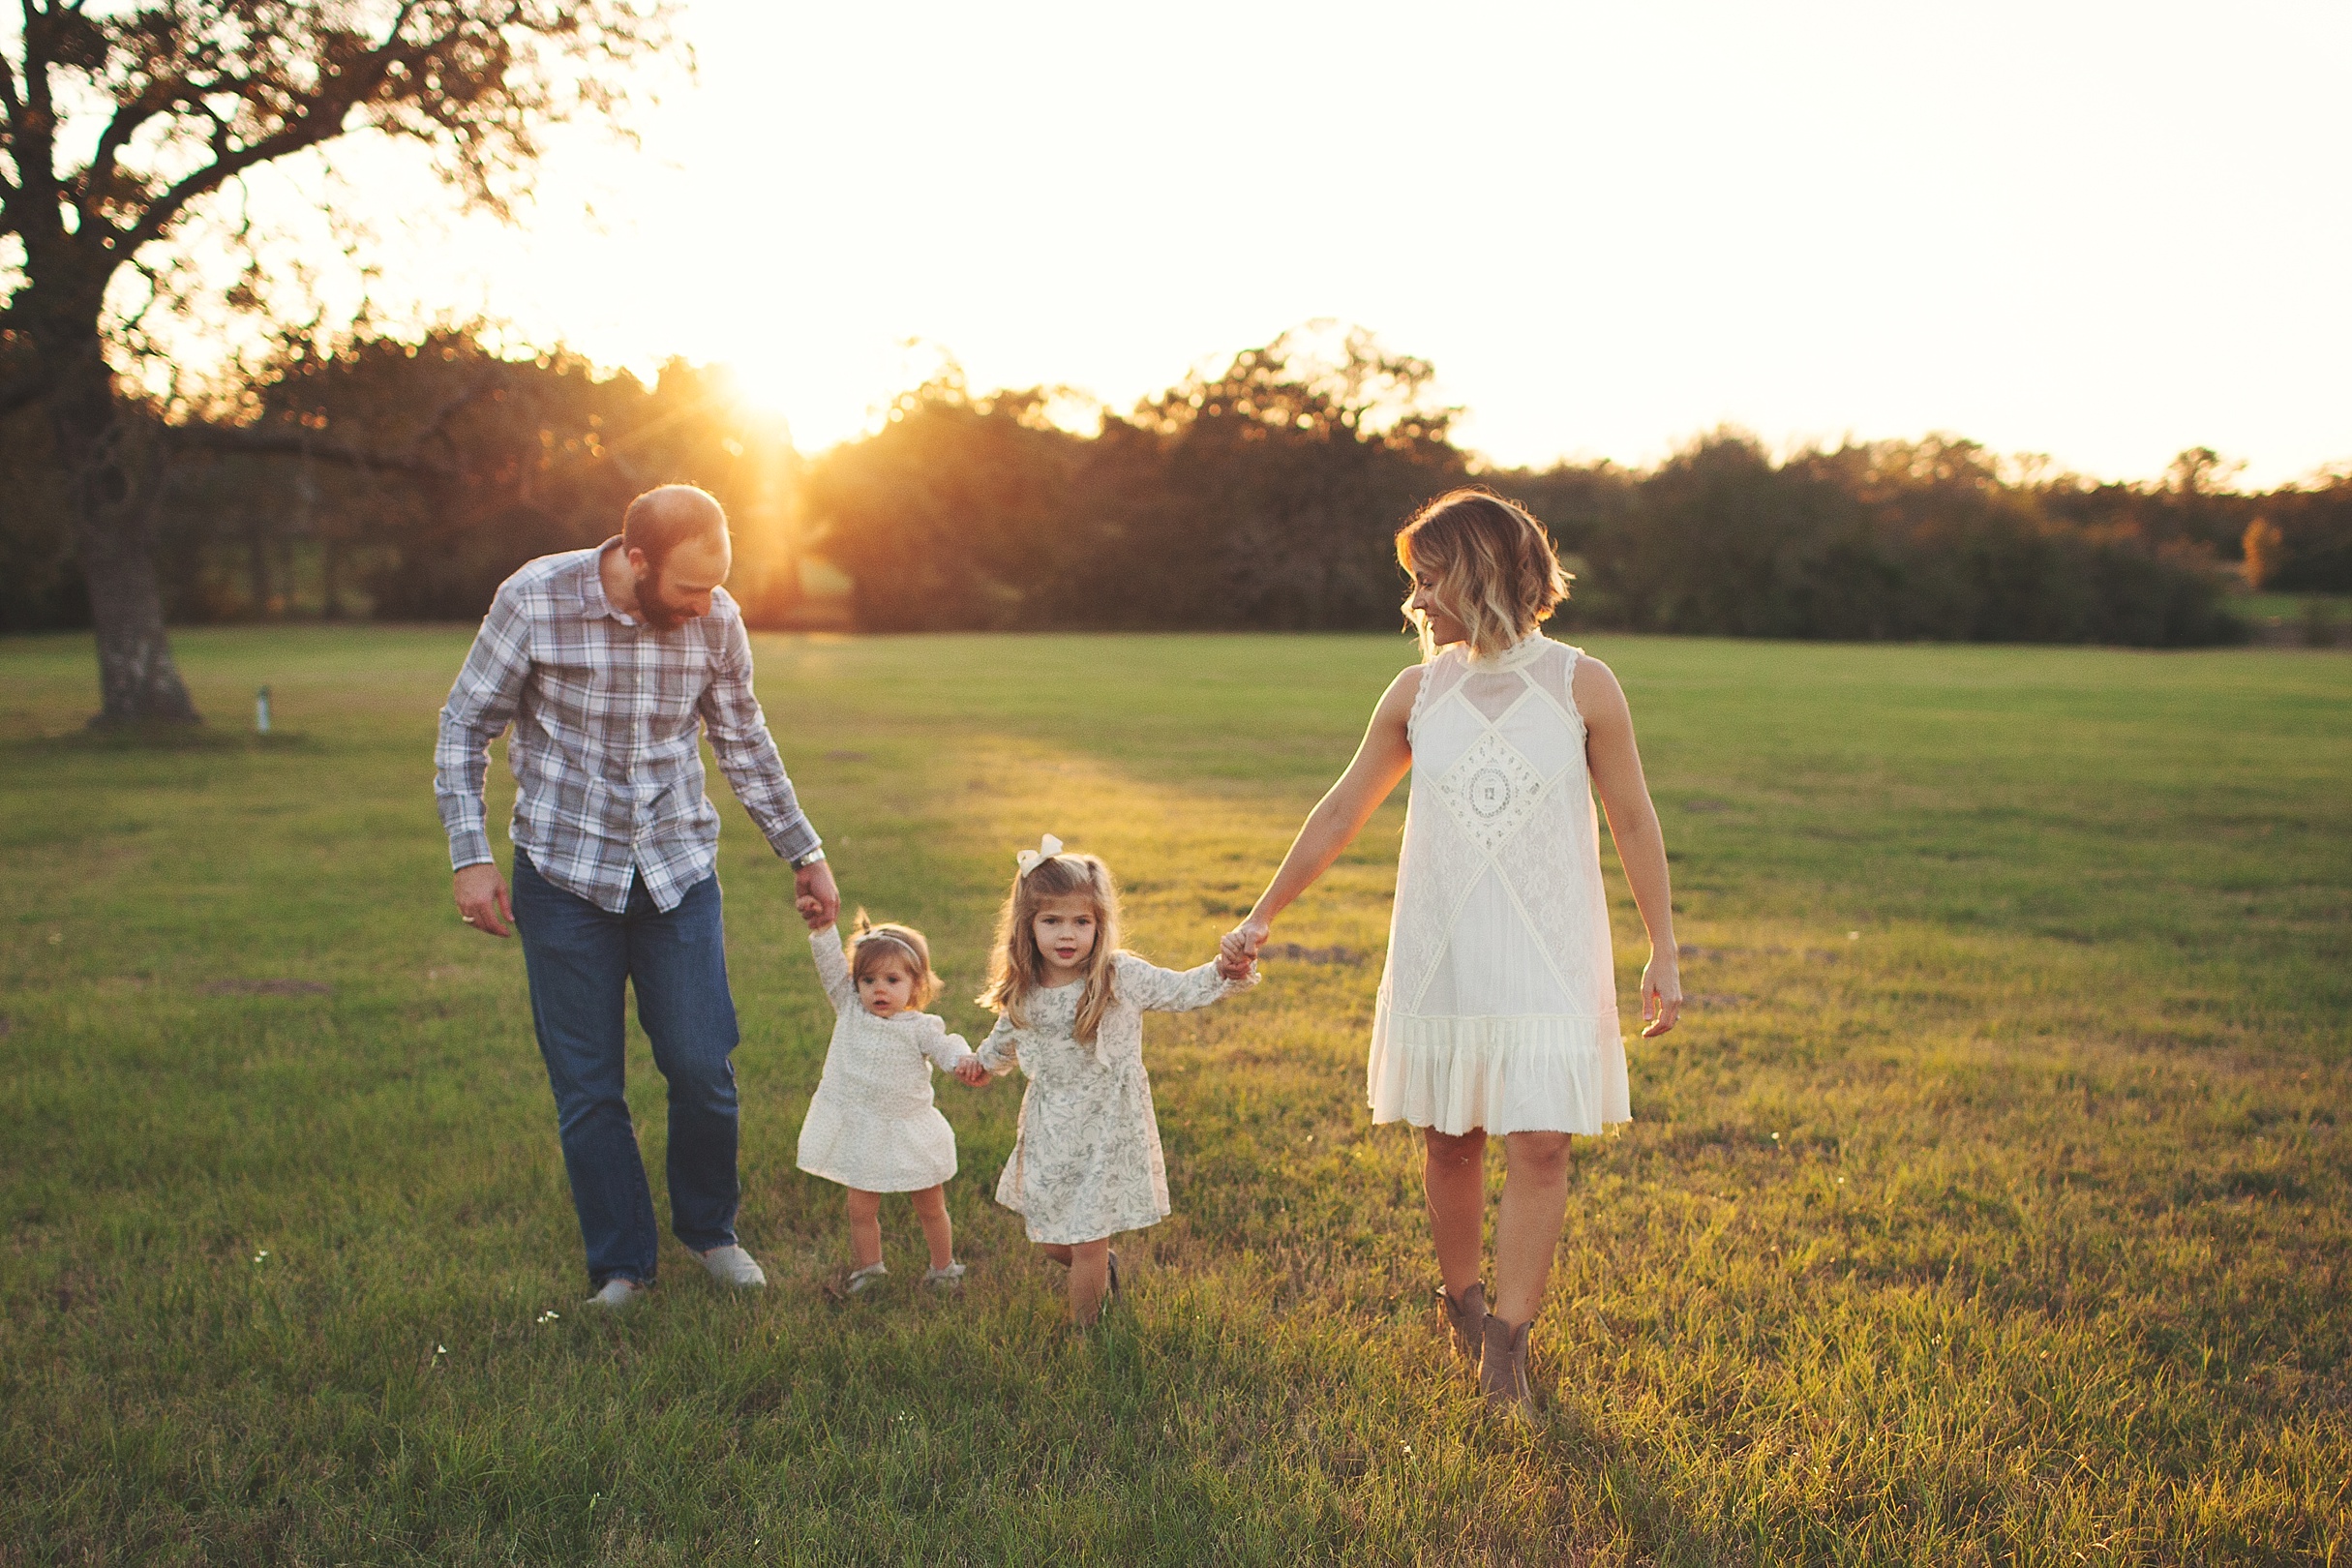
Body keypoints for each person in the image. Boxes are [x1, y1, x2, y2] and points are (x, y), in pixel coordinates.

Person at [1220, 489, 1682, 1417]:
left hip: (1551, 944)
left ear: (1479, 573)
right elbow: (1344, 808)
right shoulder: (1417, 691)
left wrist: (1663, 948)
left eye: (1428, 580)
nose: (1416, 602)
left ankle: (1509, 1342)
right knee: (1451, 1133)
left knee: (1542, 1141)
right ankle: (1463, 1302)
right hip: (1446, 940)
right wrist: (1264, 911)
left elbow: (1631, 816)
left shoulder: (1583, 685)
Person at [435, 484, 840, 1311]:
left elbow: (741, 737)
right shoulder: (536, 599)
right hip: (561, 874)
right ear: (636, 557)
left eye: (716, 585)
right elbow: (464, 727)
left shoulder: (715, 618)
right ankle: (621, 1266)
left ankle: (711, 1232)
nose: (706, 605)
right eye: (688, 588)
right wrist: (469, 857)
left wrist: (803, 849)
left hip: (676, 868)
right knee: (587, 1084)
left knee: (701, 1064)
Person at [974, 836, 1256, 1326]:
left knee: (1086, 1236)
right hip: (1052, 1126)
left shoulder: (1118, 976)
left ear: (1099, 924)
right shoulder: (1025, 989)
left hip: (1109, 1123)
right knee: (1049, 1237)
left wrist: (1226, 970)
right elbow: (1002, 1041)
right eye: (1052, 921)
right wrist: (978, 1065)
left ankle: (1090, 1338)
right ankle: (1100, 1269)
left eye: (1082, 921)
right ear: (1028, 926)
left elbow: (1184, 990)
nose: (1068, 934)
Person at [793, 908, 990, 1294]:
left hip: (908, 1127)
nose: (878, 989)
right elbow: (831, 965)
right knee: (860, 1208)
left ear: (915, 986)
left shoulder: (921, 1027)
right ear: (855, 984)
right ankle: (870, 1269)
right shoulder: (850, 1009)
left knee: (930, 1205)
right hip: (860, 1126)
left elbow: (947, 1047)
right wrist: (823, 929)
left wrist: (963, 1062)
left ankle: (943, 1268)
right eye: (868, 980)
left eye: (892, 980)